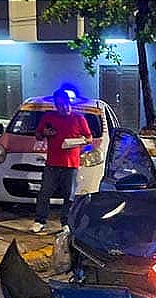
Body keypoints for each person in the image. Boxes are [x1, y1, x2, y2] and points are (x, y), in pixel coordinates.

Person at [31, 89, 93, 234]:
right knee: (44, 193)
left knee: (69, 195)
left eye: (64, 104)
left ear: (68, 102)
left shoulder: (79, 119)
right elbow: (38, 135)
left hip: (71, 164)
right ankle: (40, 221)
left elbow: (89, 138)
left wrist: (79, 141)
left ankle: (66, 222)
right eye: (58, 105)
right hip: (52, 162)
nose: (62, 108)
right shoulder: (49, 117)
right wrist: (45, 134)